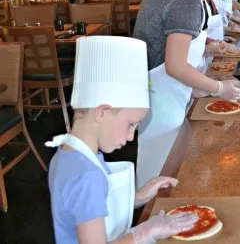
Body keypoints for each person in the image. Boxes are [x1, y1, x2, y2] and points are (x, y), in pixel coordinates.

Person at [47, 36, 199, 243]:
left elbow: (94, 208)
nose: (131, 137)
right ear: (102, 112)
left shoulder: (68, 155)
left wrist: (140, 196)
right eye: (131, 124)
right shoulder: (87, 176)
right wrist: (146, 232)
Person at [133, 0, 240, 189]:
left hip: (156, 88)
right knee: (161, 170)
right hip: (162, 95)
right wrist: (219, 89)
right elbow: (175, 65)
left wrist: (196, 86)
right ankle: (151, 222)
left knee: (154, 169)